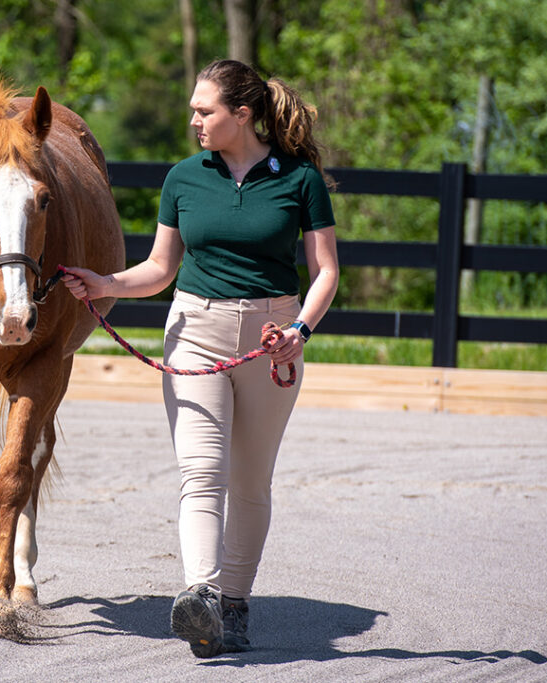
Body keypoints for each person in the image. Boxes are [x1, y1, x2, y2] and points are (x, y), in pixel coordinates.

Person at [62, 59, 339, 658]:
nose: (194, 119)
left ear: (242, 114)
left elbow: (326, 273)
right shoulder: (184, 178)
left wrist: (299, 329)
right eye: (194, 108)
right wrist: (105, 282)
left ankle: (235, 603)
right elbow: (160, 270)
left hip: (271, 338)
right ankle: (202, 597)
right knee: (201, 473)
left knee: (250, 480)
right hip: (196, 329)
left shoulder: (299, 180)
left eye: (204, 110)